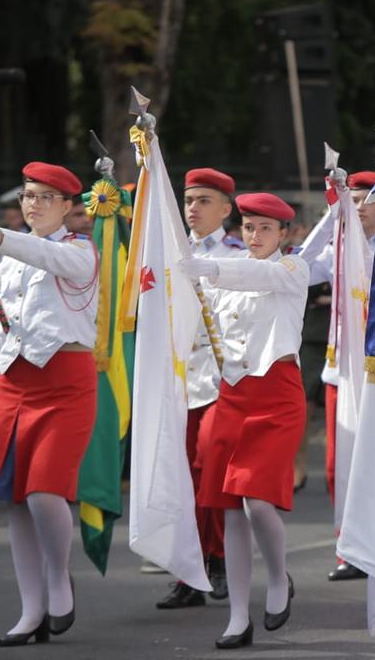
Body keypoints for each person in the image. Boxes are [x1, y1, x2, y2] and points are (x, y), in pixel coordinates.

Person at [0, 162, 99, 647]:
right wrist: (3, 335)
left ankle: (60, 578)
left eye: (44, 197)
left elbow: (48, 258)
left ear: (67, 207)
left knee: (45, 490)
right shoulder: (11, 254)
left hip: (64, 383)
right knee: (16, 498)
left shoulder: (80, 250)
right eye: (28, 195)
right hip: (14, 380)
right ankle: (30, 608)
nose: (33, 204)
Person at [178, 192, 309, 649]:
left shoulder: (293, 268)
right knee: (228, 507)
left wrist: (210, 269)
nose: (255, 236)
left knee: (256, 500)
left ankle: (277, 577)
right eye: (249, 228)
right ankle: (236, 614)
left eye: (265, 229)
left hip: (277, 398)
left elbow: (258, 276)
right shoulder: (223, 272)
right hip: (230, 396)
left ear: (285, 234)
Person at [154, 168, 247, 609]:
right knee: (182, 475)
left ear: (226, 209)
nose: (193, 208)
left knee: (213, 470)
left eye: (204, 200)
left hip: (219, 381)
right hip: (178, 380)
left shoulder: (238, 255)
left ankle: (221, 559)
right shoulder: (171, 252)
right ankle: (190, 570)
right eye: (189, 200)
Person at [316, 169, 375, 582]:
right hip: (338, 369)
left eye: (363, 201)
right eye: (351, 201)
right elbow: (300, 270)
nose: (356, 209)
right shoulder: (336, 247)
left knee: (374, 462)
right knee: (335, 465)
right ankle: (350, 545)